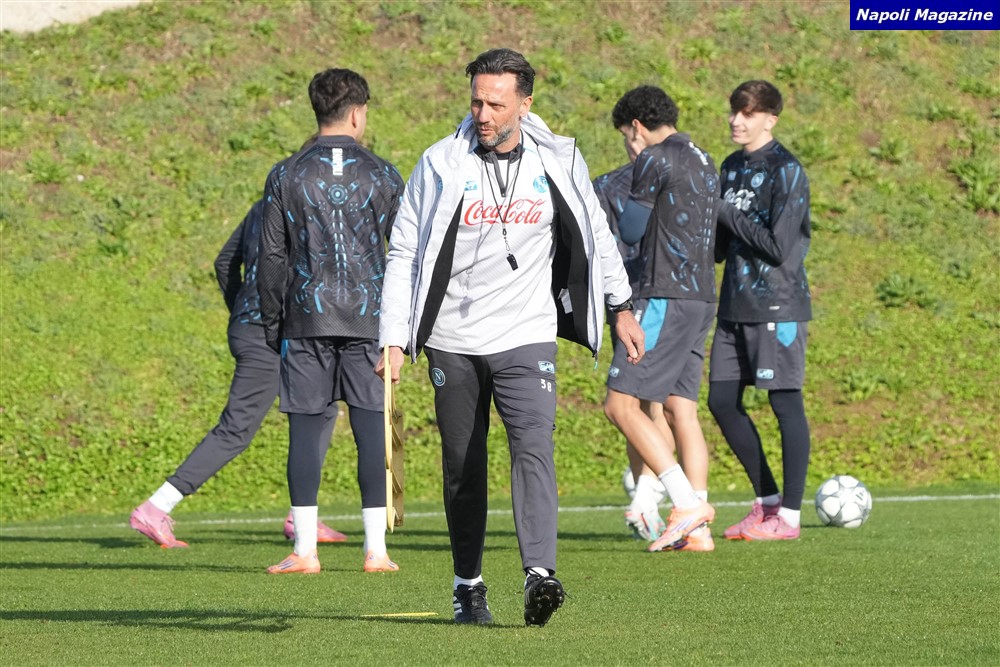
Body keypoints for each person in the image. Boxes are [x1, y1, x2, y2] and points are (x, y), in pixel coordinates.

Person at [376, 48, 644, 627]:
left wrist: (620, 305)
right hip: (453, 338)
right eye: (476, 101)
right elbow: (404, 252)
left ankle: (539, 575)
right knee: (463, 464)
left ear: (525, 104)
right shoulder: (440, 163)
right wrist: (393, 338)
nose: (483, 114)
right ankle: (468, 586)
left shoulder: (558, 159)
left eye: (496, 104)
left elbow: (596, 232)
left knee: (533, 444)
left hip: (527, 331)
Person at [129, 197, 347, 549]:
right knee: (237, 428)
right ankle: (156, 508)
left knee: (322, 411)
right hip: (273, 332)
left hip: (261, 329)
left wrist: (242, 309)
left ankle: (302, 516)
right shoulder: (314, 204)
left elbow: (225, 262)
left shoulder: (265, 204)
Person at [257, 68, 405, 573]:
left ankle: (304, 552)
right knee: (371, 432)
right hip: (369, 321)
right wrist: (402, 329)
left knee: (304, 433)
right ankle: (376, 551)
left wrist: (273, 323)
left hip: (306, 318)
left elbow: (271, 257)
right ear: (358, 113)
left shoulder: (285, 174)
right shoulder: (383, 174)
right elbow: (405, 253)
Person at [601, 85, 719, 554]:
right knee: (679, 406)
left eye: (625, 136)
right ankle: (698, 531)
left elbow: (631, 229)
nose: (628, 146)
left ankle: (686, 505)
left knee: (620, 405)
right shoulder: (704, 158)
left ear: (636, 127)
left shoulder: (654, 157)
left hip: (664, 294)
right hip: (702, 297)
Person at [709, 80, 813, 541]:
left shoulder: (787, 170)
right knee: (720, 401)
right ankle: (767, 501)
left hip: (777, 303)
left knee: (784, 402)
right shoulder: (730, 167)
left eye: (748, 113)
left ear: (770, 119)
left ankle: (788, 517)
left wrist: (725, 213)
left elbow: (777, 246)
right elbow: (720, 246)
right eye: (734, 111)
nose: (737, 120)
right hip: (734, 304)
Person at [592, 151, 668, 541]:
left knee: (655, 404)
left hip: (660, 300)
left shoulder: (677, 176)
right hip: (626, 304)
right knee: (633, 405)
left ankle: (660, 499)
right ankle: (647, 501)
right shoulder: (607, 186)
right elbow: (601, 247)